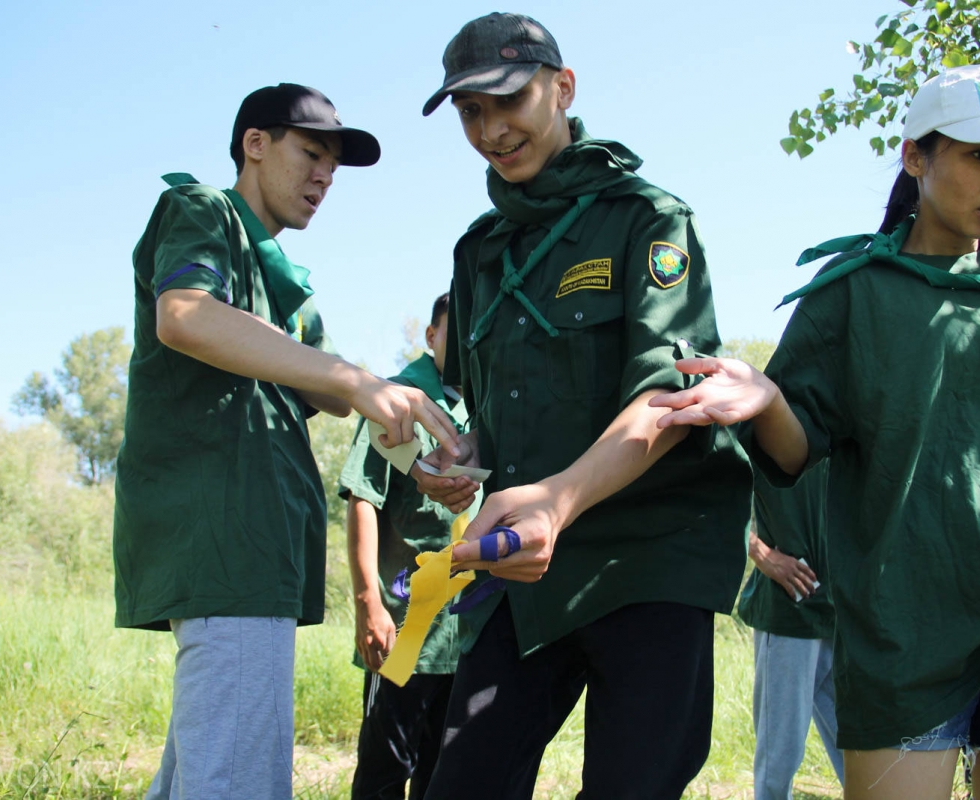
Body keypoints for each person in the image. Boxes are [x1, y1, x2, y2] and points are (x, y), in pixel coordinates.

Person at [649, 64, 980, 800]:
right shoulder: (850, 291)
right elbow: (796, 449)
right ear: (915, 158)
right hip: (905, 613)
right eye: (977, 156)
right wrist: (766, 399)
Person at [414, 13, 753, 799]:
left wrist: (556, 501)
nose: (492, 130)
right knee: (464, 780)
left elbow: (670, 394)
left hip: (646, 556)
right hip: (521, 566)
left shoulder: (646, 220)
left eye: (509, 101)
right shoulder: (478, 251)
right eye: (470, 112)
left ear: (562, 88)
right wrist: (459, 459)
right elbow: (486, 409)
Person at [113, 82, 459, 800]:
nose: (324, 176)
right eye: (311, 153)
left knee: (197, 778)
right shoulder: (203, 212)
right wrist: (359, 382)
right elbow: (183, 315)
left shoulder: (282, 278)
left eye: (334, 165)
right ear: (255, 144)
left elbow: (326, 397)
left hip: (257, 549)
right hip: (223, 539)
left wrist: (411, 430)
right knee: (237, 784)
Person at [338, 292, 475, 800]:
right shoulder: (396, 399)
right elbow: (362, 500)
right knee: (385, 767)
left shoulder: (486, 405)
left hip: (467, 631)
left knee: (444, 774)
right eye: (453, 331)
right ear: (432, 336)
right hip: (405, 625)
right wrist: (368, 602)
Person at [739, 463, 843, 800]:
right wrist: (761, 553)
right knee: (779, 762)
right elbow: (712, 488)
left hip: (843, 609)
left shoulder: (846, 412)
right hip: (789, 609)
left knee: (858, 748)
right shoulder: (763, 413)